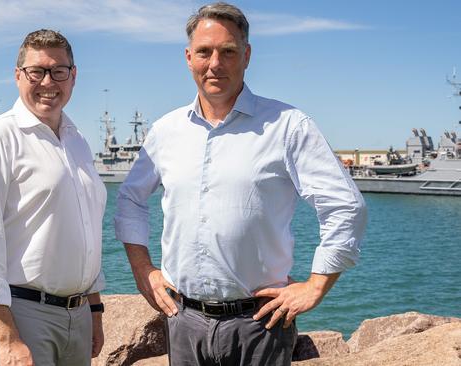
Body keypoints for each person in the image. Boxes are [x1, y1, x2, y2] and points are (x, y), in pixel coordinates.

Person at [114, 2, 368, 365]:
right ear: (188, 57)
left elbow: (346, 206)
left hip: (260, 324)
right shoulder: (166, 131)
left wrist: (315, 286)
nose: (215, 64)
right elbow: (130, 200)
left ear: (246, 56)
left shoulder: (287, 126)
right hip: (182, 320)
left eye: (228, 52)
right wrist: (143, 270)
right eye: (204, 51)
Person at [0, 29, 106, 366]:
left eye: (58, 71)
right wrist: (7, 338)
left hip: (76, 316)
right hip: (20, 315)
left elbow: (86, 230)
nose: (47, 81)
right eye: (36, 71)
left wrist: (93, 310)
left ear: (73, 76)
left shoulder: (77, 141)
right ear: (17, 75)